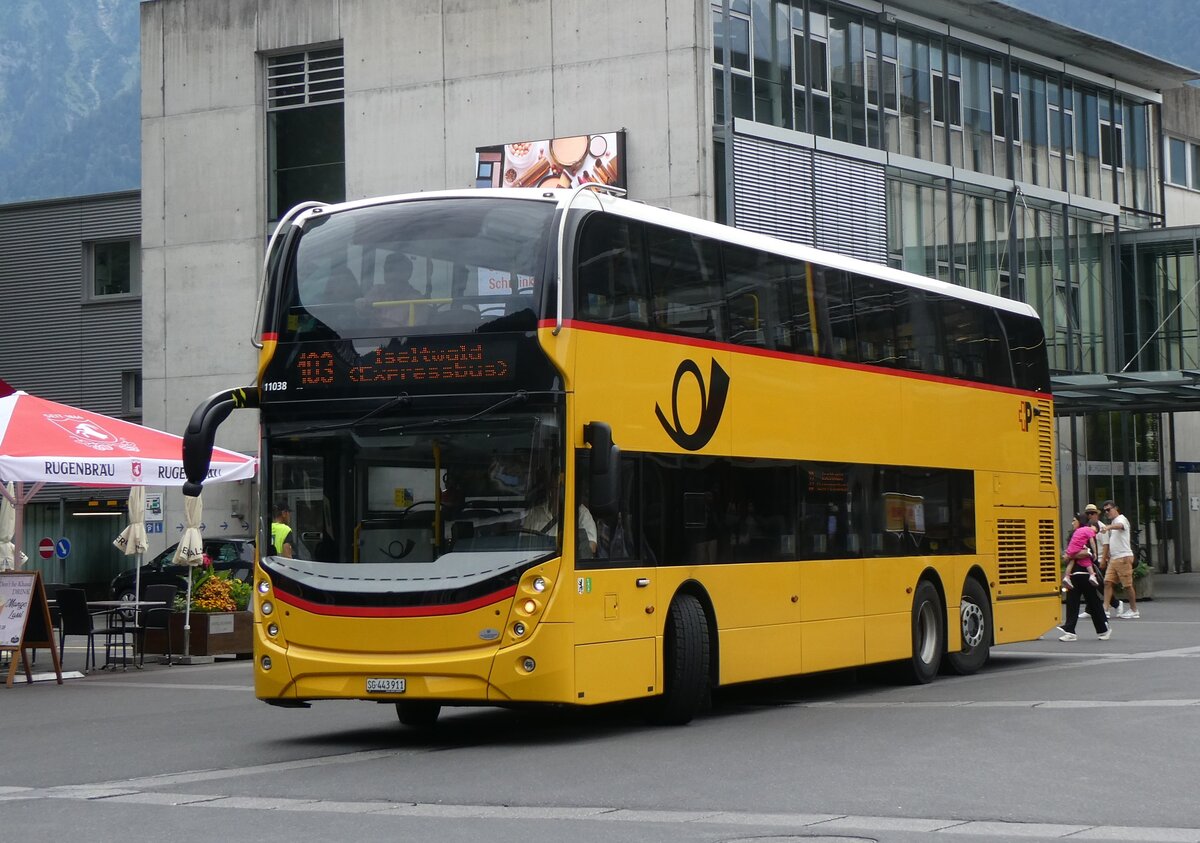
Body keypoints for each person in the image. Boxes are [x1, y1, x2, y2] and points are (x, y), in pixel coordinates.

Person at [1056, 512, 1111, 642]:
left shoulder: (1087, 535)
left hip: (1086, 574)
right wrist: (1069, 556)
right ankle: (1070, 631)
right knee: (1072, 602)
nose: (1072, 523)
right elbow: (1068, 556)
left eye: (1074, 520)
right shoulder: (1073, 536)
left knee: (1093, 602)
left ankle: (1103, 628)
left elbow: (1089, 554)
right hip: (1074, 575)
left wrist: (1071, 555)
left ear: (1080, 522)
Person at [522, 477, 597, 557]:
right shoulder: (535, 513)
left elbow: (591, 547)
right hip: (535, 564)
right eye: (554, 488)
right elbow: (523, 544)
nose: (557, 492)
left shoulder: (581, 513)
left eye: (561, 488)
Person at [1099, 499, 1139, 619]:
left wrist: (1109, 527)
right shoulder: (1114, 521)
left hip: (1123, 557)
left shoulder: (1121, 519)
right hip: (1115, 558)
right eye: (1105, 511)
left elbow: (1120, 526)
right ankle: (1105, 609)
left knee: (1127, 585)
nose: (1107, 512)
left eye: (1108, 509)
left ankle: (1134, 610)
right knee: (1107, 582)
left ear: (1115, 508)